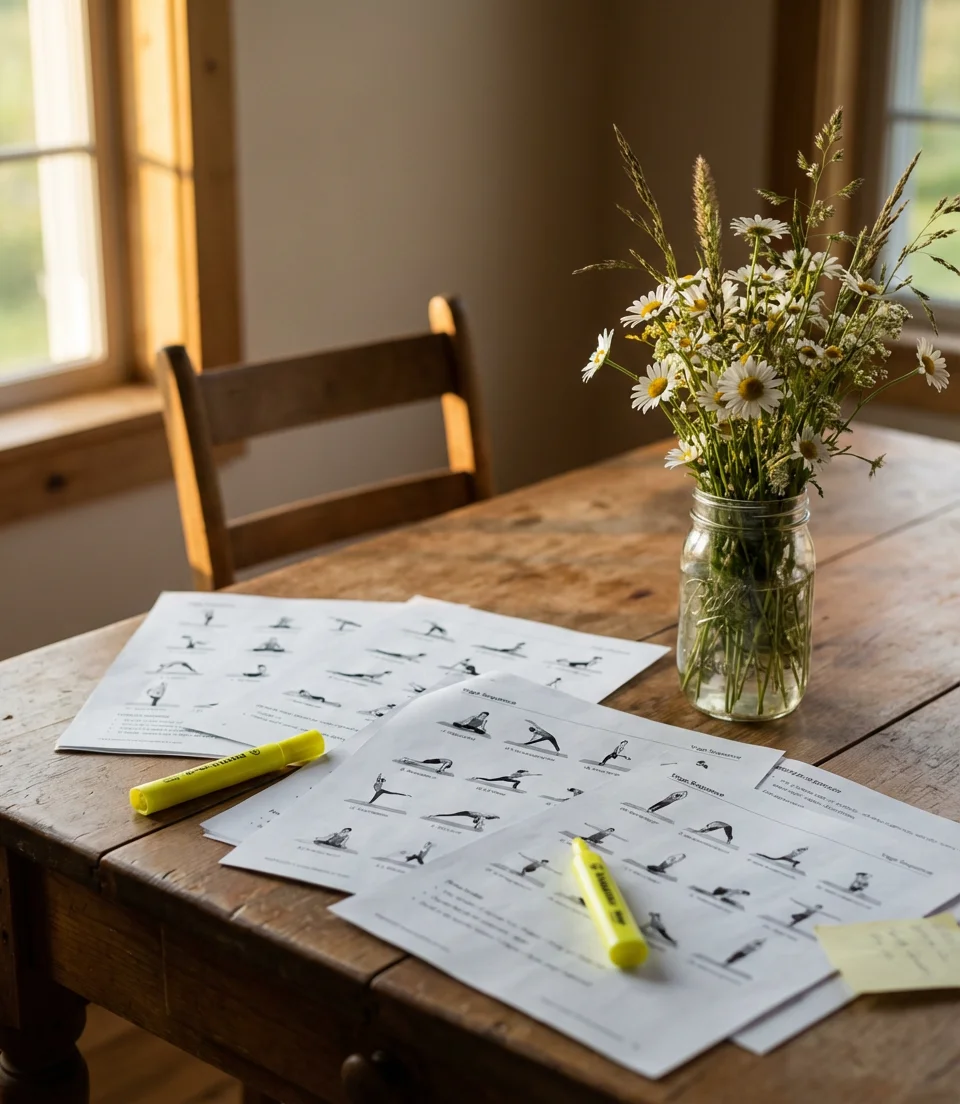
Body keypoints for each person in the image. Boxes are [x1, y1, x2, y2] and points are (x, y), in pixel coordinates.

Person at [474, 768, 539, 790]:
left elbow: (528, 774)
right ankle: (478, 777)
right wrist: (524, 771)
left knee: (518, 781)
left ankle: (514, 787)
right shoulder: (517, 773)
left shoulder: (520, 774)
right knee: (490, 780)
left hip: (507, 778)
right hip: (506, 778)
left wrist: (535, 774)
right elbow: (520, 773)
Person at [434, 810, 500, 830]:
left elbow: (481, 820)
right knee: (451, 814)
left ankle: (436, 815)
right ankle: (436, 815)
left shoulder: (481, 817)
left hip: (467, 812)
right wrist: (477, 825)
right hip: (467, 812)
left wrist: (478, 825)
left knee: (451, 814)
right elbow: (482, 819)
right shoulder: (482, 817)